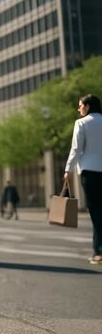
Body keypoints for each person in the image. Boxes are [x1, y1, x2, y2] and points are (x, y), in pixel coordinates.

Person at [64, 94, 102, 265]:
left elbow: (76, 149)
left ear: (87, 106)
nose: (78, 109)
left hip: (90, 172)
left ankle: (99, 251)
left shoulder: (82, 123)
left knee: (95, 212)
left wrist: (68, 170)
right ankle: (97, 251)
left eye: (80, 105)